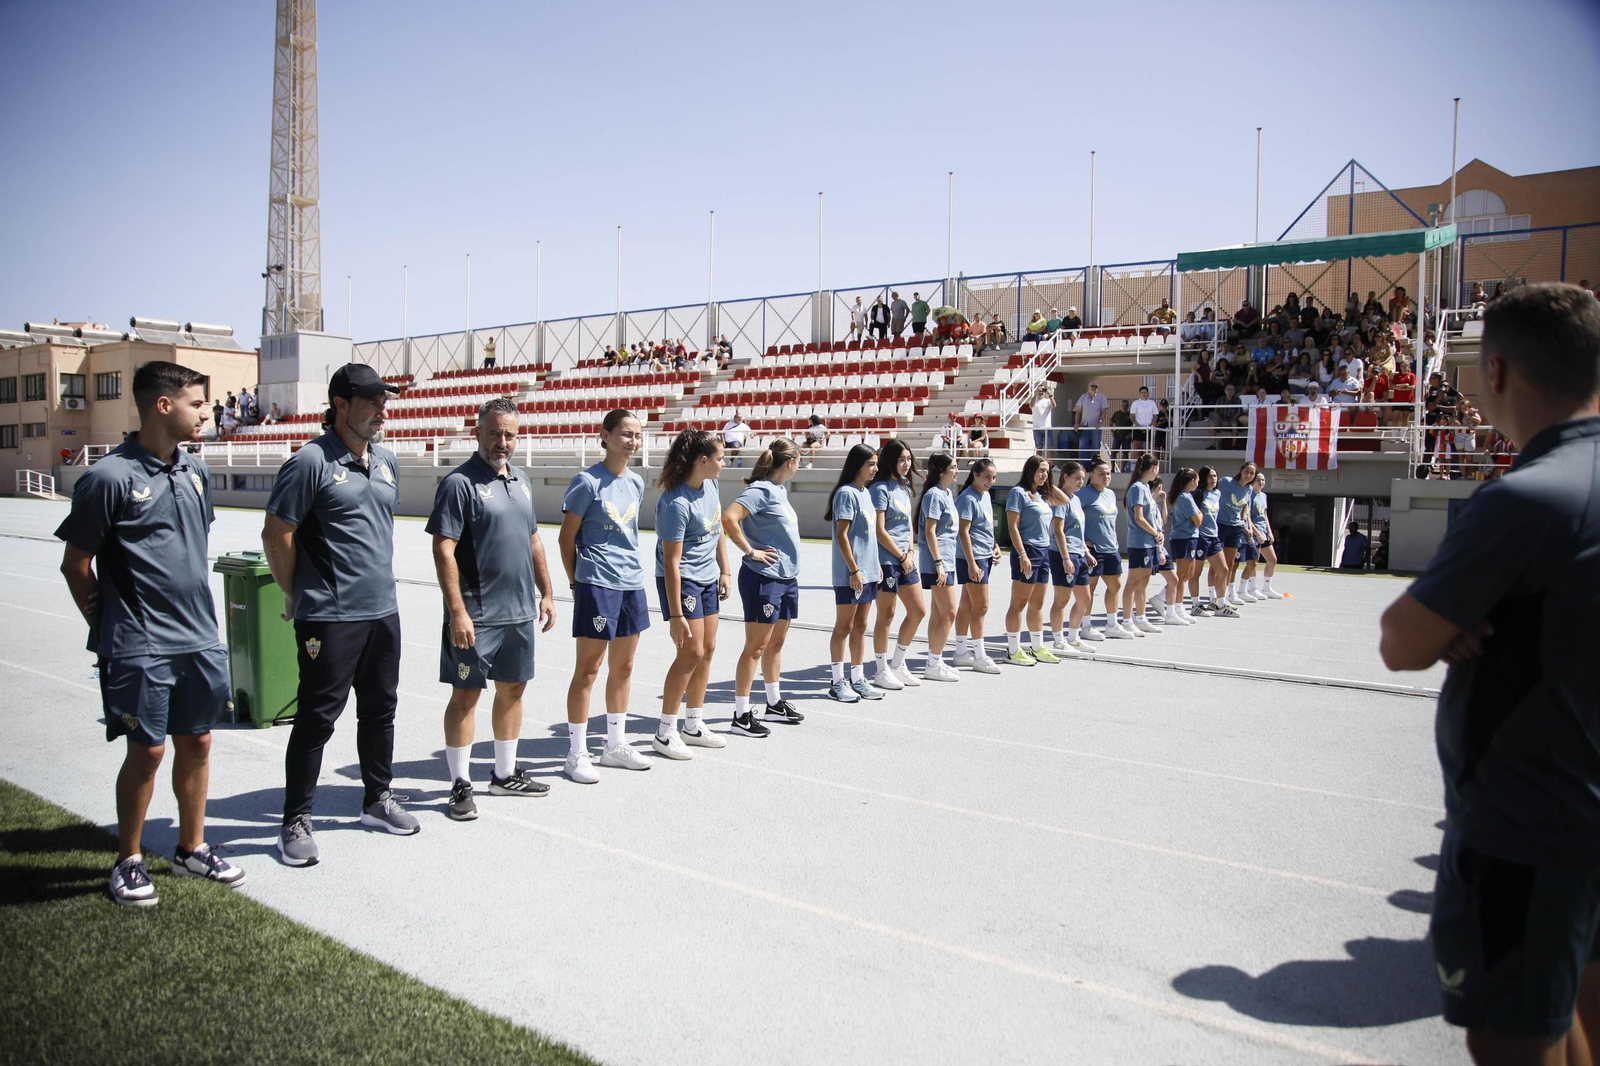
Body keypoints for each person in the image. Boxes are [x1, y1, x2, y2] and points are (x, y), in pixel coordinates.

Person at [1379, 286, 1600, 1066]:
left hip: (1532, 825)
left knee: (1513, 1036)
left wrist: (1452, 620)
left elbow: (1401, 640)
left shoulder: (1527, 499)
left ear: (1497, 369)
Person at [56, 361, 242, 905]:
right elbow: (76, 564)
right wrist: (107, 622)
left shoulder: (195, 472)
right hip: (140, 644)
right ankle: (129, 859)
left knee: (199, 742)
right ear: (165, 406)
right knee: (148, 751)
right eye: (198, 404)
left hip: (199, 638)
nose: (208, 414)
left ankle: (191, 848)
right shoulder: (108, 478)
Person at [263, 363, 416, 866]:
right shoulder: (309, 461)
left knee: (381, 709)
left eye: (384, 401)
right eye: (371, 401)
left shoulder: (387, 460)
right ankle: (295, 820)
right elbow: (277, 534)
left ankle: (376, 799)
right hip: (330, 615)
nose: (382, 409)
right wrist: (295, 593)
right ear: (341, 405)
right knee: (316, 717)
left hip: (382, 611)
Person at [427, 398, 557, 821]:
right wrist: (458, 612)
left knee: (513, 690)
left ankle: (504, 775)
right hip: (477, 615)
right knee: (466, 695)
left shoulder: (520, 480)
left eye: (510, 434)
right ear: (477, 432)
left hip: (519, 613)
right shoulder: (459, 483)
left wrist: (548, 592)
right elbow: (443, 549)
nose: (503, 441)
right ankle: (459, 784)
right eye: (495, 433)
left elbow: (533, 539)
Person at [558, 409, 653, 784]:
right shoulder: (586, 482)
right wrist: (575, 581)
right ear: (606, 435)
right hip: (597, 581)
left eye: (638, 435)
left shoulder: (636, 482)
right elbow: (566, 538)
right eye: (626, 434)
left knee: (624, 667)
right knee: (589, 669)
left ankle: (614, 745)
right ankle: (576, 752)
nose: (633, 441)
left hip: (632, 582)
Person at [652, 428, 732, 760]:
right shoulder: (675, 502)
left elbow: (718, 529)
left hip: (706, 578)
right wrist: (675, 614)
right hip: (681, 581)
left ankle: (693, 725)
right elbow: (671, 562)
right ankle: (665, 732)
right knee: (691, 652)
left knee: (708, 649)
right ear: (703, 461)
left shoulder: (711, 485)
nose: (724, 463)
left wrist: (725, 569)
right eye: (720, 457)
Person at [722, 437, 805, 735]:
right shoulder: (760, 490)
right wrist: (750, 551)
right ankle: (741, 715)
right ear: (790, 462)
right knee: (756, 647)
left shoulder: (779, 491)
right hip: (764, 578)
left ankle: (773, 703)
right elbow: (729, 519)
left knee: (776, 644)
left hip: (786, 578)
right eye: (799, 460)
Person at [826, 444, 884, 701]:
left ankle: (857, 678)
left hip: (869, 572)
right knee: (844, 626)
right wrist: (854, 569)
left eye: (876, 464)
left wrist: (876, 565)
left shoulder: (866, 493)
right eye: (871, 464)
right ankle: (837, 681)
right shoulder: (846, 494)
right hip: (851, 573)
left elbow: (869, 537)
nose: (875, 468)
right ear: (857, 465)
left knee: (861, 625)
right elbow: (842, 535)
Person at [867, 440, 926, 692]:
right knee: (887, 615)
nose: (906, 464)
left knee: (918, 610)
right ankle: (881, 669)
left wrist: (911, 550)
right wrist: (901, 556)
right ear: (890, 460)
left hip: (906, 559)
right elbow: (879, 530)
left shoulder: (905, 488)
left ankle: (898, 663)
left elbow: (909, 526)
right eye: (902, 459)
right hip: (888, 560)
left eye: (909, 459)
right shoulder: (879, 489)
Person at [1002, 455, 1067, 665]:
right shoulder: (1018, 493)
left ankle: (1037, 647)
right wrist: (1022, 554)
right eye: (1040, 470)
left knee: (1037, 603)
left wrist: (1048, 482)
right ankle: (1013, 650)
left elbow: (1064, 500)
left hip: (1044, 550)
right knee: (1019, 603)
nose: (1044, 475)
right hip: (1027, 550)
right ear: (1030, 470)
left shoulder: (1042, 495)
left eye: (1046, 471)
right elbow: (1012, 527)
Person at [950, 459, 1003, 673]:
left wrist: (995, 546)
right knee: (981, 607)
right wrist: (972, 563)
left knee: (968, 605)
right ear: (975, 475)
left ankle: (961, 651)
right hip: (972, 558)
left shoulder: (986, 496)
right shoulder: (967, 498)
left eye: (993, 477)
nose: (990, 481)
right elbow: (963, 532)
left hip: (984, 555)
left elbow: (985, 527)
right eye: (987, 477)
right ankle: (979, 654)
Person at [916, 452, 961, 681]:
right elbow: (929, 531)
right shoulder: (934, 495)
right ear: (942, 471)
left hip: (947, 559)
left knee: (939, 613)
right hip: (938, 561)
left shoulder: (946, 493)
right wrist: (939, 564)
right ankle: (933, 664)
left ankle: (935, 660)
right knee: (949, 612)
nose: (957, 471)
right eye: (953, 467)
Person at [1074, 457, 1129, 640]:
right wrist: (1082, 543)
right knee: (1090, 587)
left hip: (1111, 548)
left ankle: (1112, 624)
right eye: (1101, 474)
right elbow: (1073, 519)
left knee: (1115, 585)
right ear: (1092, 475)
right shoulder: (1083, 494)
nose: (1106, 477)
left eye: (1108, 473)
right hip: (1093, 549)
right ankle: (1086, 626)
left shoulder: (1111, 494)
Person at [1046, 460, 1096, 654]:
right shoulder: (1060, 499)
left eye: (1083, 479)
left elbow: (1078, 531)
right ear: (1065, 477)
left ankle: (1073, 637)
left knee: (1084, 597)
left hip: (1078, 553)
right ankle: (1058, 640)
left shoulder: (1075, 499)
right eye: (1077, 478)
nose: (1080, 482)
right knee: (1062, 599)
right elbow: (1058, 531)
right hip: (1062, 553)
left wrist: (1086, 551)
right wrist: (1066, 558)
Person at [1120, 452, 1165, 635]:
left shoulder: (1146, 488)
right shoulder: (1138, 488)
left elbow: (1151, 516)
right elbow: (1139, 518)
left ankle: (1141, 617)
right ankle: (1127, 620)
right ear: (1154, 467)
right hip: (1140, 542)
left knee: (1143, 581)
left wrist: (1157, 534)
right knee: (1133, 581)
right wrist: (1155, 533)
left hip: (1149, 542)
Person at [1215, 461, 1259, 606]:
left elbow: (1245, 506)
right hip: (1220, 525)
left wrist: (1243, 520)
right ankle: (1213, 595)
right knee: (1217, 564)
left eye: (1252, 473)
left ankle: (1225, 595)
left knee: (1230, 564)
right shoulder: (1226, 482)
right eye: (1247, 471)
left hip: (1235, 528)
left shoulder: (1249, 489)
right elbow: (1211, 491)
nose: (1248, 475)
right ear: (1241, 470)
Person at [1166, 468, 1203, 620]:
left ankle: (1172, 603)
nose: (1198, 484)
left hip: (1187, 538)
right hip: (1184, 538)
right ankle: (1177, 607)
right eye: (1197, 480)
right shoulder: (1185, 498)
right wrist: (1200, 514)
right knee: (1182, 575)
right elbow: (1198, 520)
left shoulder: (1184, 496)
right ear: (1192, 481)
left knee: (1187, 574)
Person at [1245, 471, 1283, 599]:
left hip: (1264, 532)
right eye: (1258, 480)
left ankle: (1267, 588)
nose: (1261, 482)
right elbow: (1248, 517)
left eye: (1263, 480)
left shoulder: (1263, 496)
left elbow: (1264, 515)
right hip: (1255, 533)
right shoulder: (1249, 496)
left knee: (1272, 560)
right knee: (1253, 562)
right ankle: (1251, 589)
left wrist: (1269, 531)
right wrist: (1257, 533)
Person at [1075, 381, 1109, 461]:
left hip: (1095, 427)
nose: (1093, 388)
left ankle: (1094, 466)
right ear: (1088, 387)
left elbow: (1104, 411)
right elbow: (1078, 410)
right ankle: (1083, 467)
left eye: (1095, 386)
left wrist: (1100, 422)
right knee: (1083, 447)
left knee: (1095, 447)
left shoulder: (1102, 397)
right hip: (1084, 426)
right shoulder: (1083, 397)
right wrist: (1077, 423)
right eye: (1092, 386)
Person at [1130, 385, 1159, 452]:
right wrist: (1137, 426)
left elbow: (1155, 416)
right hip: (1137, 428)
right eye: (1142, 392)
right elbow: (1132, 416)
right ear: (1140, 393)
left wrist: (1150, 425)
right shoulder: (1136, 403)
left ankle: (1146, 461)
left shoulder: (1152, 403)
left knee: (1148, 447)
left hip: (1148, 428)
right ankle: (1135, 462)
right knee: (1136, 447)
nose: (1144, 394)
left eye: (1145, 392)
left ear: (1147, 393)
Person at [1110, 400, 1134, 471]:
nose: (1124, 407)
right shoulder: (1117, 414)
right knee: (1113, 452)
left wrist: (1130, 434)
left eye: (1126, 405)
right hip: (1117, 436)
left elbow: (1134, 425)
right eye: (1123, 405)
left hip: (1126, 437)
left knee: (1125, 453)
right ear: (1121, 406)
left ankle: (1122, 469)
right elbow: (1111, 423)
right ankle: (1112, 468)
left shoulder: (1130, 415)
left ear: (1128, 406)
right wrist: (1113, 432)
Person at [1032, 385, 1055, 455]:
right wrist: (1035, 395)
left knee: (1049, 448)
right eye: (1039, 391)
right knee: (1039, 448)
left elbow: (1054, 406)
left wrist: (1050, 394)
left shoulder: (1048, 401)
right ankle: (1038, 463)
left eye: (1043, 391)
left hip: (1047, 427)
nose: (1041, 392)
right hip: (1037, 428)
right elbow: (1030, 405)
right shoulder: (1034, 400)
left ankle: (1051, 465)